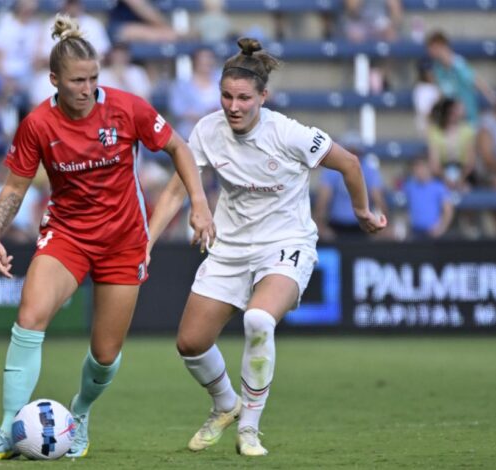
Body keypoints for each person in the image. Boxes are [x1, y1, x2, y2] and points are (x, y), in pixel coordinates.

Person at [0, 14, 215, 460]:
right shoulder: (38, 124)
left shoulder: (127, 108)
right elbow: (14, 187)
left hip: (124, 242)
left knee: (104, 354)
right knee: (30, 316)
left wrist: (198, 204)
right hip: (67, 235)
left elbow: (180, 147)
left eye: (93, 78)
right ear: (53, 81)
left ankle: (79, 415)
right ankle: (9, 431)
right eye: (77, 81)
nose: (87, 89)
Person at [145, 38, 387, 458]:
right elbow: (172, 193)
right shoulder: (206, 131)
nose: (233, 106)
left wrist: (363, 211)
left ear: (263, 97)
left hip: (285, 243)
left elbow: (349, 162)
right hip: (229, 245)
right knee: (190, 343)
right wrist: (145, 245)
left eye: (243, 98)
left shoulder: (289, 133)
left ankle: (250, 430)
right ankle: (225, 406)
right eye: (226, 96)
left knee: (258, 319)